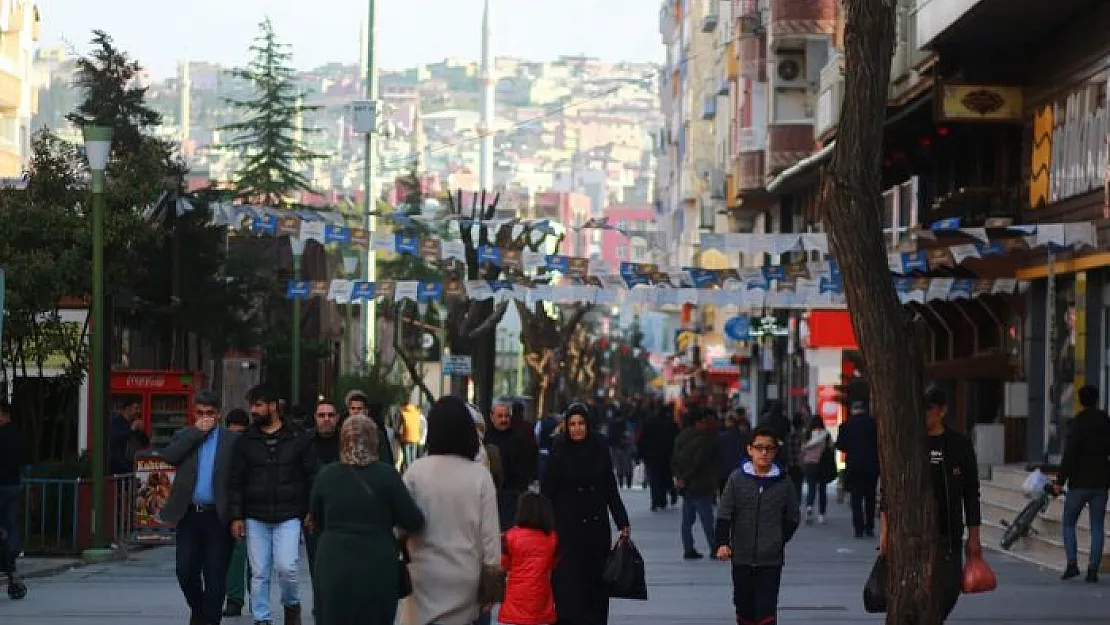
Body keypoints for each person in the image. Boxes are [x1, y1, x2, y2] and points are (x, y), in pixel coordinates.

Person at [310, 415, 425, 625]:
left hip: (332, 562)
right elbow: (413, 520)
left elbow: (317, 519)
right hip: (377, 562)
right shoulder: (388, 476)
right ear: (374, 441)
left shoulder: (326, 476)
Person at [879, 386, 982, 621]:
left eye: (928, 409)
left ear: (942, 411)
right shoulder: (907, 445)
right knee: (913, 597)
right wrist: (884, 531)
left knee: (949, 589)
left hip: (949, 533)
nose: (924, 415)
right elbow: (888, 490)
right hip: (911, 535)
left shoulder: (959, 445)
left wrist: (974, 536)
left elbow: (971, 492)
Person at [401, 396, 501, 625]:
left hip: (423, 575)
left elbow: (399, 524)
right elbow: (490, 537)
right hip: (465, 576)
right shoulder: (480, 476)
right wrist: (491, 581)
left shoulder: (416, 472)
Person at [229, 385, 319, 625]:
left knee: (287, 568)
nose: (253, 410)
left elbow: (311, 475)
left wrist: (310, 509)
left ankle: (291, 606)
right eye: (252, 405)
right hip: (255, 515)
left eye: (258, 405)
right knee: (259, 573)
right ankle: (262, 618)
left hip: (289, 515)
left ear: (273, 406)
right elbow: (236, 480)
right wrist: (236, 517)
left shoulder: (297, 437)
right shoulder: (246, 440)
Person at [541, 403, 630, 625]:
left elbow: (610, 487)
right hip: (567, 530)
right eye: (572, 424)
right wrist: (545, 526)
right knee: (568, 588)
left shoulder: (599, 448)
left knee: (595, 588)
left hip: (595, 529)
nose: (577, 428)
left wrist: (622, 521)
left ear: (588, 425)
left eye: (581, 423)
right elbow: (547, 492)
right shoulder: (558, 451)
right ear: (566, 427)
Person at [160, 391, 241, 625]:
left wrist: (237, 516)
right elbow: (170, 456)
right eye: (200, 413)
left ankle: (209, 619)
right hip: (189, 515)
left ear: (219, 414)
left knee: (215, 575)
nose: (205, 417)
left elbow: (238, 481)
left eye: (209, 413)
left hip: (218, 516)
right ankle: (198, 608)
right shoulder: (185, 435)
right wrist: (197, 432)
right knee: (185, 570)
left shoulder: (232, 441)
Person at [715, 427, 800, 625]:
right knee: (743, 607)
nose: (763, 453)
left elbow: (792, 517)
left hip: (770, 560)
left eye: (769, 448)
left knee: (766, 610)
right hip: (742, 558)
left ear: (775, 451)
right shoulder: (737, 479)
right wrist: (722, 543)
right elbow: (724, 514)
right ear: (749, 450)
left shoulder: (784, 482)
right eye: (759, 448)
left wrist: (778, 539)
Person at [1052, 384, 1110, 582]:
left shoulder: (1077, 424)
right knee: (1097, 527)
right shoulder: (1106, 422)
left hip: (1078, 482)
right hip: (1101, 483)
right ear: (1097, 399)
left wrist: (1060, 481)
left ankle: (1072, 564)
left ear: (1080, 401)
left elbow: (1069, 455)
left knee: (1068, 523)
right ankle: (1093, 569)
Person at [498, 492, 559, 625]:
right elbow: (554, 564)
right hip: (541, 598)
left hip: (516, 597)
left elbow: (504, 564)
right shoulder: (552, 538)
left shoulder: (510, 537)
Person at [305, 398, 342, 616]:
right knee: (316, 563)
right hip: (313, 513)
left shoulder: (346, 442)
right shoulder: (305, 442)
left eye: (330, 415)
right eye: (322, 415)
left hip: (342, 512)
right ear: (315, 418)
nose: (326, 419)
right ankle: (320, 604)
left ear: (337, 418)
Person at [671, 408, 718, 560]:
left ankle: (688, 548)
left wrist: (680, 478)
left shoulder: (680, 438)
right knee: (707, 520)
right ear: (698, 422)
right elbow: (699, 463)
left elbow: (674, 461)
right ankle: (714, 547)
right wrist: (686, 477)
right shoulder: (703, 440)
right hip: (701, 485)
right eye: (703, 422)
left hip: (686, 487)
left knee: (687, 521)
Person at [487, 401, 538, 530]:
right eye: (500, 416)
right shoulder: (486, 440)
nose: (504, 420)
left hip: (513, 496)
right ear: (492, 417)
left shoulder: (519, 439)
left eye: (506, 416)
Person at [220, 409, 250, 618]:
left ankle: (236, 600)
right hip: (230, 508)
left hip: (248, 508)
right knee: (237, 555)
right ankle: (237, 598)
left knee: (245, 556)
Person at [836, 401, 880, 538]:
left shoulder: (845, 425)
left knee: (856, 498)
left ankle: (858, 528)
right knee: (870, 497)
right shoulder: (873, 424)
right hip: (871, 465)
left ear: (852, 410)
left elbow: (840, 445)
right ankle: (870, 527)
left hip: (854, 466)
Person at [0, 399, 26, 573]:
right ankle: (11, 555)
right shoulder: (18, 435)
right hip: (14, 483)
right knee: (11, 521)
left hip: (2, 483)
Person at [638, 404, 680, 511]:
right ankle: (668, 494)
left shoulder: (649, 423)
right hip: (667, 455)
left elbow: (641, 440)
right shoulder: (671, 424)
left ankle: (656, 500)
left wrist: (641, 453)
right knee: (666, 476)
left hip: (652, 456)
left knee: (655, 479)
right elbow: (677, 440)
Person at [800, 417, 832, 525]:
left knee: (811, 488)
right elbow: (831, 447)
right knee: (822, 490)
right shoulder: (826, 435)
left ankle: (809, 507)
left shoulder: (807, 434)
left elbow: (802, 449)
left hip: (810, 464)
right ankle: (821, 515)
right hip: (822, 464)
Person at [110, 398, 150, 474]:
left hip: (133, 466)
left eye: (139, 409)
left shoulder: (133, 423)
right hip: (118, 467)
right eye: (136, 409)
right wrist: (131, 430)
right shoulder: (116, 423)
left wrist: (141, 432)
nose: (138, 411)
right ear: (127, 409)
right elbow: (115, 439)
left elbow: (146, 443)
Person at [715, 410, 747, 496]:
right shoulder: (743, 437)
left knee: (724, 497)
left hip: (723, 473)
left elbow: (716, 455)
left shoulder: (720, 437)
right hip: (739, 472)